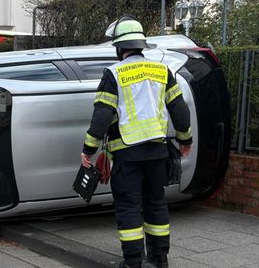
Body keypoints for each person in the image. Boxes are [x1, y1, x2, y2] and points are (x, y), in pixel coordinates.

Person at [80, 16, 192, 268]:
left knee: (129, 207)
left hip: (127, 155)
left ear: (120, 48)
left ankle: (133, 263)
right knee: (156, 204)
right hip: (157, 153)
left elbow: (101, 117)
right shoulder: (163, 71)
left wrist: (88, 149)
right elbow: (180, 111)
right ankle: (159, 258)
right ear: (141, 45)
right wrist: (186, 140)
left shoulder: (114, 73)